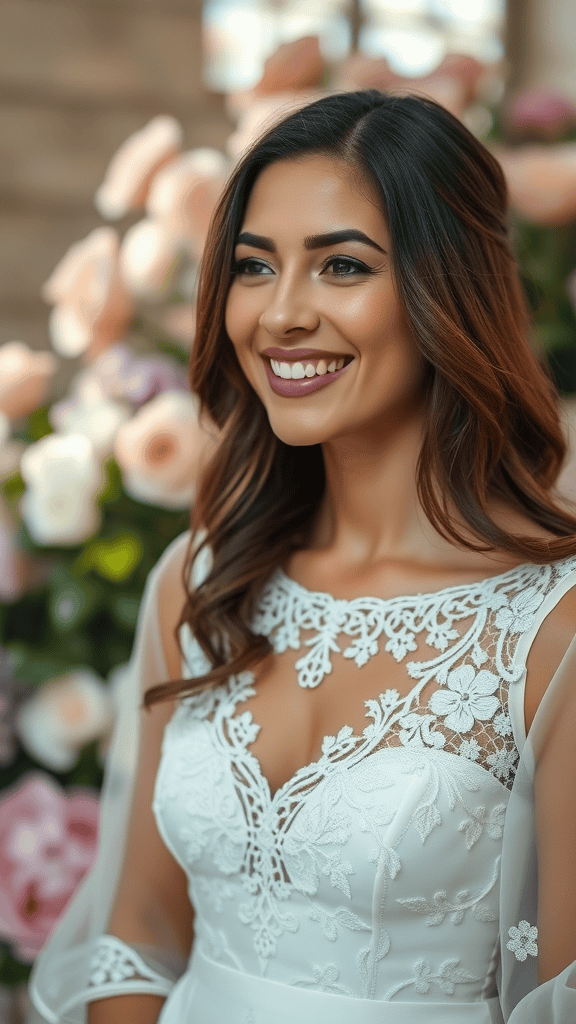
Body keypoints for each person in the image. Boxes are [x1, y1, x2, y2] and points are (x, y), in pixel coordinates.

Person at [28, 89, 576, 1024]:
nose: (280, 314)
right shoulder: (201, 581)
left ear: (446, 290)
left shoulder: (550, 627)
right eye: (254, 267)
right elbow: (139, 931)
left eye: (341, 265)